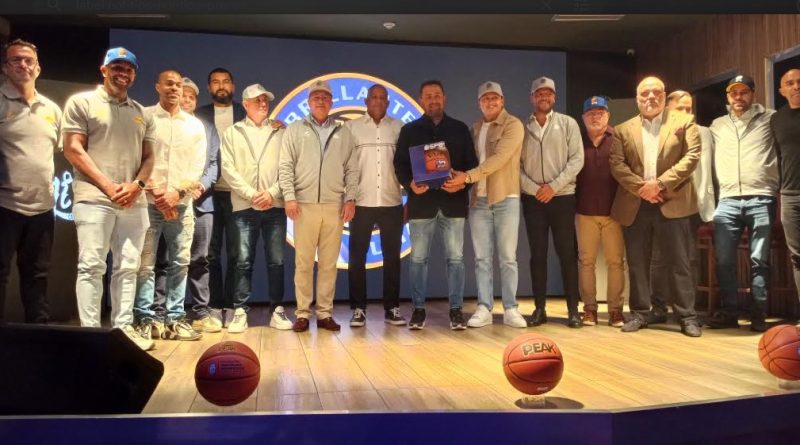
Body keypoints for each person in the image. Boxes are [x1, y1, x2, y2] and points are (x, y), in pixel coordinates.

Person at [62, 47, 156, 350]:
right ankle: (90, 336)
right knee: (91, 266)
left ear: (134, 75)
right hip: (93, 198)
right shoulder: (82, 102)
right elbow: (73, 148)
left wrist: (137, 185)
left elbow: (149, 157)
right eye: (116, 67)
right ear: (104, 70)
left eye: (128, 69)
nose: (122, 73)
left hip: (133, 201)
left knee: (128, 268)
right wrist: (107, 186)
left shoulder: (141, 112)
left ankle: (122, 331)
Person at [609, 76, 702, 337]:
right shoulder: (622, 129)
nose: (650, 97)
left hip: (672, 200)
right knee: (637, 263)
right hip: (635, 203)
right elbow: (617, 164)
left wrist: (660, 184)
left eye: (656, 93)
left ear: (664, 95)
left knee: (679, 262)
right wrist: (643, 188)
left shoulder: (684, 122)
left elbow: (692, 157)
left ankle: (687, 316)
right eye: (644, 93)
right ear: (637, 98)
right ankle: (640, 313)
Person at [393, 80, 479, 330]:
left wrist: (462, 185)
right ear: (421, 100)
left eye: (437, 95)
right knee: (418, 259)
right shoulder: (409, 130)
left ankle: (456, 310)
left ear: (444, 98)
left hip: (453, 204)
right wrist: (410, 184)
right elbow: (399, 165)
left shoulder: (460, 129)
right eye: (428, 96)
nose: (433, 100)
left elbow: (472, 166)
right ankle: (418, 310)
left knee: (456, 259)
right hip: (421, 204)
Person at [279, 79, 358, 332]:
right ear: (308, 102)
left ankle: (324, 314)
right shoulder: (295, 130)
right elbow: (285, 166)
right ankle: (302, 313)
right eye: (316, 97)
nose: (320, 101)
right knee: (303, 263)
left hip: (334, 206)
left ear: (331, 102)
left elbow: (352, 169)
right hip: (303, 205)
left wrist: (350, 198)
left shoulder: (343, 132)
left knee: (328, 264)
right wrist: (289, 197)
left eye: (325, 97)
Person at [133, 70, 206, 341]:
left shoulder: (194, 125)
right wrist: (155, 190)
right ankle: (145, 318)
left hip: (181, 204)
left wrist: (177, 193)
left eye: (178, 85)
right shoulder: (144, 116)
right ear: (158, 86)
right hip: (148, 202)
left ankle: (175, 318)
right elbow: (136, 157)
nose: (174, 88)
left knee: (181, 262)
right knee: (145, 263)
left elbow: (197, 166)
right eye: (169, 84)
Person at [447, 81, 526, 328]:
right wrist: (452, 175)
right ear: (479, 103)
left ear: (502, 101)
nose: (490, 102)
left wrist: (466, 177)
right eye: (485, 99)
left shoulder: (513, 125)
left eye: (494, 98)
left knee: (508, 258)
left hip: (505, 198)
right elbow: (469, 162)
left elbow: (499, 159)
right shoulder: (475, 128)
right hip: (478, 201)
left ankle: (511, 309)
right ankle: (484, 308)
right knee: (482, 259)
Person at [706, 75, 778, 332]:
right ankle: (729, 312)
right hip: (727, 200)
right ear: (728, 96)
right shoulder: (717, 125)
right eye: (733, 93)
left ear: (753, 94)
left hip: (762, 196)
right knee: (724, 260)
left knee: (759, 260)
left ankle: (758, 314)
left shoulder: (771, 118)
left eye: (743, 92)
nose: (738, 97)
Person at [0, 38, 62, 324]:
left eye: (28, 61)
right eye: (16, 60)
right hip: (4, 205)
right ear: (5, 67)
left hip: (42, 208)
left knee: (38, 275)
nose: (23, 65)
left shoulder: (51, 109)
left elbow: (55, 150)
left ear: (38, 68)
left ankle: (39, 336)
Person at [222, 83, 292, 332]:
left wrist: (271, 193)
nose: (263, 104)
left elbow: (288, 167)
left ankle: (277, 310)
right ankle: (240, 311)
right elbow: (227, 169)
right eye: (257, 100)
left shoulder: (281, 131)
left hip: (275, 206)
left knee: (277, 261)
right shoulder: (233, 132)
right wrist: (252, 194)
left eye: (265, 100)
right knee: (242, 261)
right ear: (245, 104)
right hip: (244, 207)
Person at [519, 76, 584, 328]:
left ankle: (573, 310)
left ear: (554, 97)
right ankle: (539, 309)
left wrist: (553, 187)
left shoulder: (568, 123)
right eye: (539, 93)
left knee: (567, 254)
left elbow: (577, 160)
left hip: (562, 197)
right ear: (532, 98)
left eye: (548, 93)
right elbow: (515, 166)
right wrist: (535, 189)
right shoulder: (522, 127)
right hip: (533, 199)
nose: (543, 97)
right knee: (537, 255)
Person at [648, 90, 716, 323]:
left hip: (696, 202)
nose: (687, 113)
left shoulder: (705, 133)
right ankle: (658, 307)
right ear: (668, 109)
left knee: (689, 259)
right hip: (665, 199)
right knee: (659, 258)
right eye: (681, 108)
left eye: (689, 108)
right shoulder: (658, 132)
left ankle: (687, 311)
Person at [344, 84, 407, 327]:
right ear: (366, 101)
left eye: (382, 98)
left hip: (392, 201)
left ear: (388, 102)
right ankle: (358, 308)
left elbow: (406, 166)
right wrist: (348, 198)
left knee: (392, 258)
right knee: (356, 257)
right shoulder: (351, 128)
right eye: (374, 97)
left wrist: (410, 199)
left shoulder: (399, 128)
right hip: (361, 202)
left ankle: (392, 308)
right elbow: (345, 165)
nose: (378, 101)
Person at [195, 68, 245, 327]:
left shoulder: (245, 113)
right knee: (211, 254)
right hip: (209, 193)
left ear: (233, 86)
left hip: (237, 193)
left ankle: (232, 306)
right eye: (216, 82)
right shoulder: (198, 114)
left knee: (237, 254)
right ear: (209, 87)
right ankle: (214, 306)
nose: (221, 86)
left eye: (226, 81)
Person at [574, 96, 625, 327]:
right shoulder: (576, 140)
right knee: (586, 262)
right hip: (584, 211)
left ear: (608, 116)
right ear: (583, 117)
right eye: (591, 114)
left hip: (614, 212)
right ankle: (589, 309)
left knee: (616, 262)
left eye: (600, 113)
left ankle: (616, 310)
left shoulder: (619, 138)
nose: (595, 117)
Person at [772, 68, 800, 326]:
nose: (796, 86)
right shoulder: (777, 119)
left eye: (799, 82)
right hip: (790, 196)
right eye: (790, 83)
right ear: (782, 90)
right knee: (797, 257)